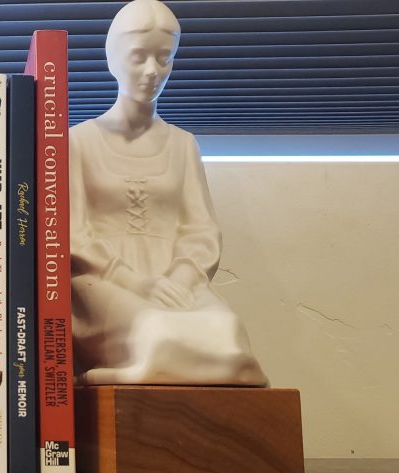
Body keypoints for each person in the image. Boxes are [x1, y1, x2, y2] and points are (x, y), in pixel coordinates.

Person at [70, 0, 268, 385]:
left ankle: (140, 372)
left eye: (164, 58)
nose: (152, 71)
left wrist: (180, 278)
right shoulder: (76, 142)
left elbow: (202, 230)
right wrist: (135, 282)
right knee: (156, 329)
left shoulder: (182, 145)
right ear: (113, 59)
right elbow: (73, 233)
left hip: (176, 281)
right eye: (139, 57)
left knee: (229, 334)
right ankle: (127, 371)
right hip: (104, 284)